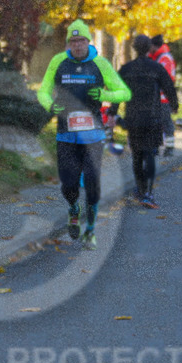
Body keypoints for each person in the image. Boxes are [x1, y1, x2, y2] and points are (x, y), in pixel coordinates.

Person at [38, 20, 131, 249]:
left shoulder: (100, 64)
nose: (77, 45)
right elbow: (43, 91)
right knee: (68, 185)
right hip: (66, 136)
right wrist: (51, 106)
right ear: (68, 43)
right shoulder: (58, 62)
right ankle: (73, 209)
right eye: (73, 41)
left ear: (88, 41)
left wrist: (103, 93)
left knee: (92, 184)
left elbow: (125, 92)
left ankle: (90, 230)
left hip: (93, 137)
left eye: (81, 40)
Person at [114, 34, 179, 208]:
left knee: (137, 155)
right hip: (153, 118)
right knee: (150, 154)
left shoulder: (126, 69)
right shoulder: (156, 68)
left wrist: (113, 113)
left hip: (134, 118)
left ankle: (140, 189)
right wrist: (174, 105)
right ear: (149, 47)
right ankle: (148, 194)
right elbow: (169, 88)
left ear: (134, 48)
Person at [148, 34, 178, 156]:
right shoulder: (158, 57)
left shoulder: (164, 58)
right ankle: (156, 147)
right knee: (157, 123)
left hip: (163, 98)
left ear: (155, 46)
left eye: (150, 46)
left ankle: (169, 148)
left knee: (166, 122)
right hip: (157, 97)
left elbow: (166, 79)